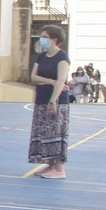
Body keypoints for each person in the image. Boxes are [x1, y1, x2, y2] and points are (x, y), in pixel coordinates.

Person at [28, 24, 72, 179]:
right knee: (44, 132)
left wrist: (53, 100)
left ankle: (59, 168)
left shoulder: (62, 58)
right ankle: (50, 165)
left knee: (55, 131)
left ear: (54, 39)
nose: (42, 40)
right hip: (41, 98)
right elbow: (33, 77)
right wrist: (50, 81)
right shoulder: (41, 56)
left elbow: (62, 80)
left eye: (45, 37)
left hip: (56, 101)